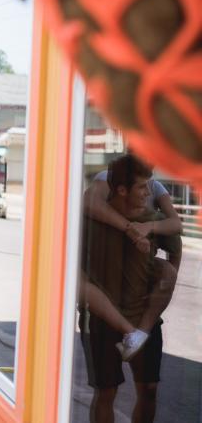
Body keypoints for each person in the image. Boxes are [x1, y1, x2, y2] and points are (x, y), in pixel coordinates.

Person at [79, 154, 181, 423]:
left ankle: (138, 333)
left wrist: (160, 292)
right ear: (122, 190)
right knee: (105, 393)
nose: (148, 193)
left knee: (149, 389)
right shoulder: (90, 221)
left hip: (144, 319)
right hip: (101, 322)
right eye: (142, 187)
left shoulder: (154, 220)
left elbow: (175, 252)